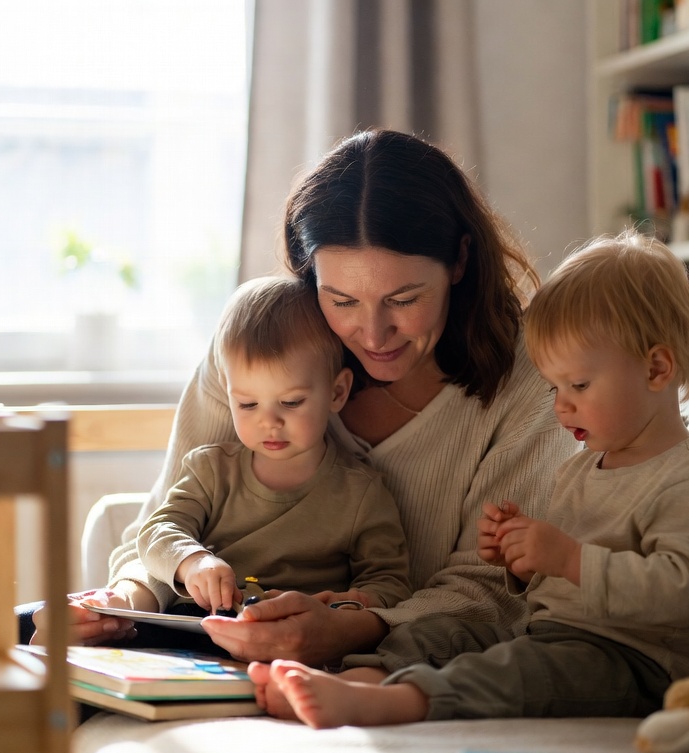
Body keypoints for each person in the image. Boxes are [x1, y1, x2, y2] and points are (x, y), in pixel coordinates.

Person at [35, 128, 577, 667]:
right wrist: (122, 603)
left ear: (459, 262)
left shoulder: (530, 379)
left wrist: (346, 629)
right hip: (207, 643)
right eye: (341, 299)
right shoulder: (258, 342)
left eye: (404, 299)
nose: (373, 333)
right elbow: (155, 531)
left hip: (384, 664)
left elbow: (491, 594)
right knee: (1, 647)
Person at [251, 230, 689, 728]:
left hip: (637, 666)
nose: (561, 404)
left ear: (657, 368)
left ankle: (389, 704)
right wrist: (518, 557)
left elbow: (686, 591)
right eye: (554, 385)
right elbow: (555, 583)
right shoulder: (587, 466)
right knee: (440, 634)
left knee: (516, 672)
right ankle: (362, 680)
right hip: (550, 636)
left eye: (578, 384)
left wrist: (568, 558)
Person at [134, 274, 410, 618]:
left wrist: (341, 607)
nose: (269, 422)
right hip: (198, 625)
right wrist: (193, 562)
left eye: (291, 402)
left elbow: (390, 584)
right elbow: (157, 533)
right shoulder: (210, 470)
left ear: (337, 392)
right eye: (248, 405)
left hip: (300, 643)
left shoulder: (361, 493)